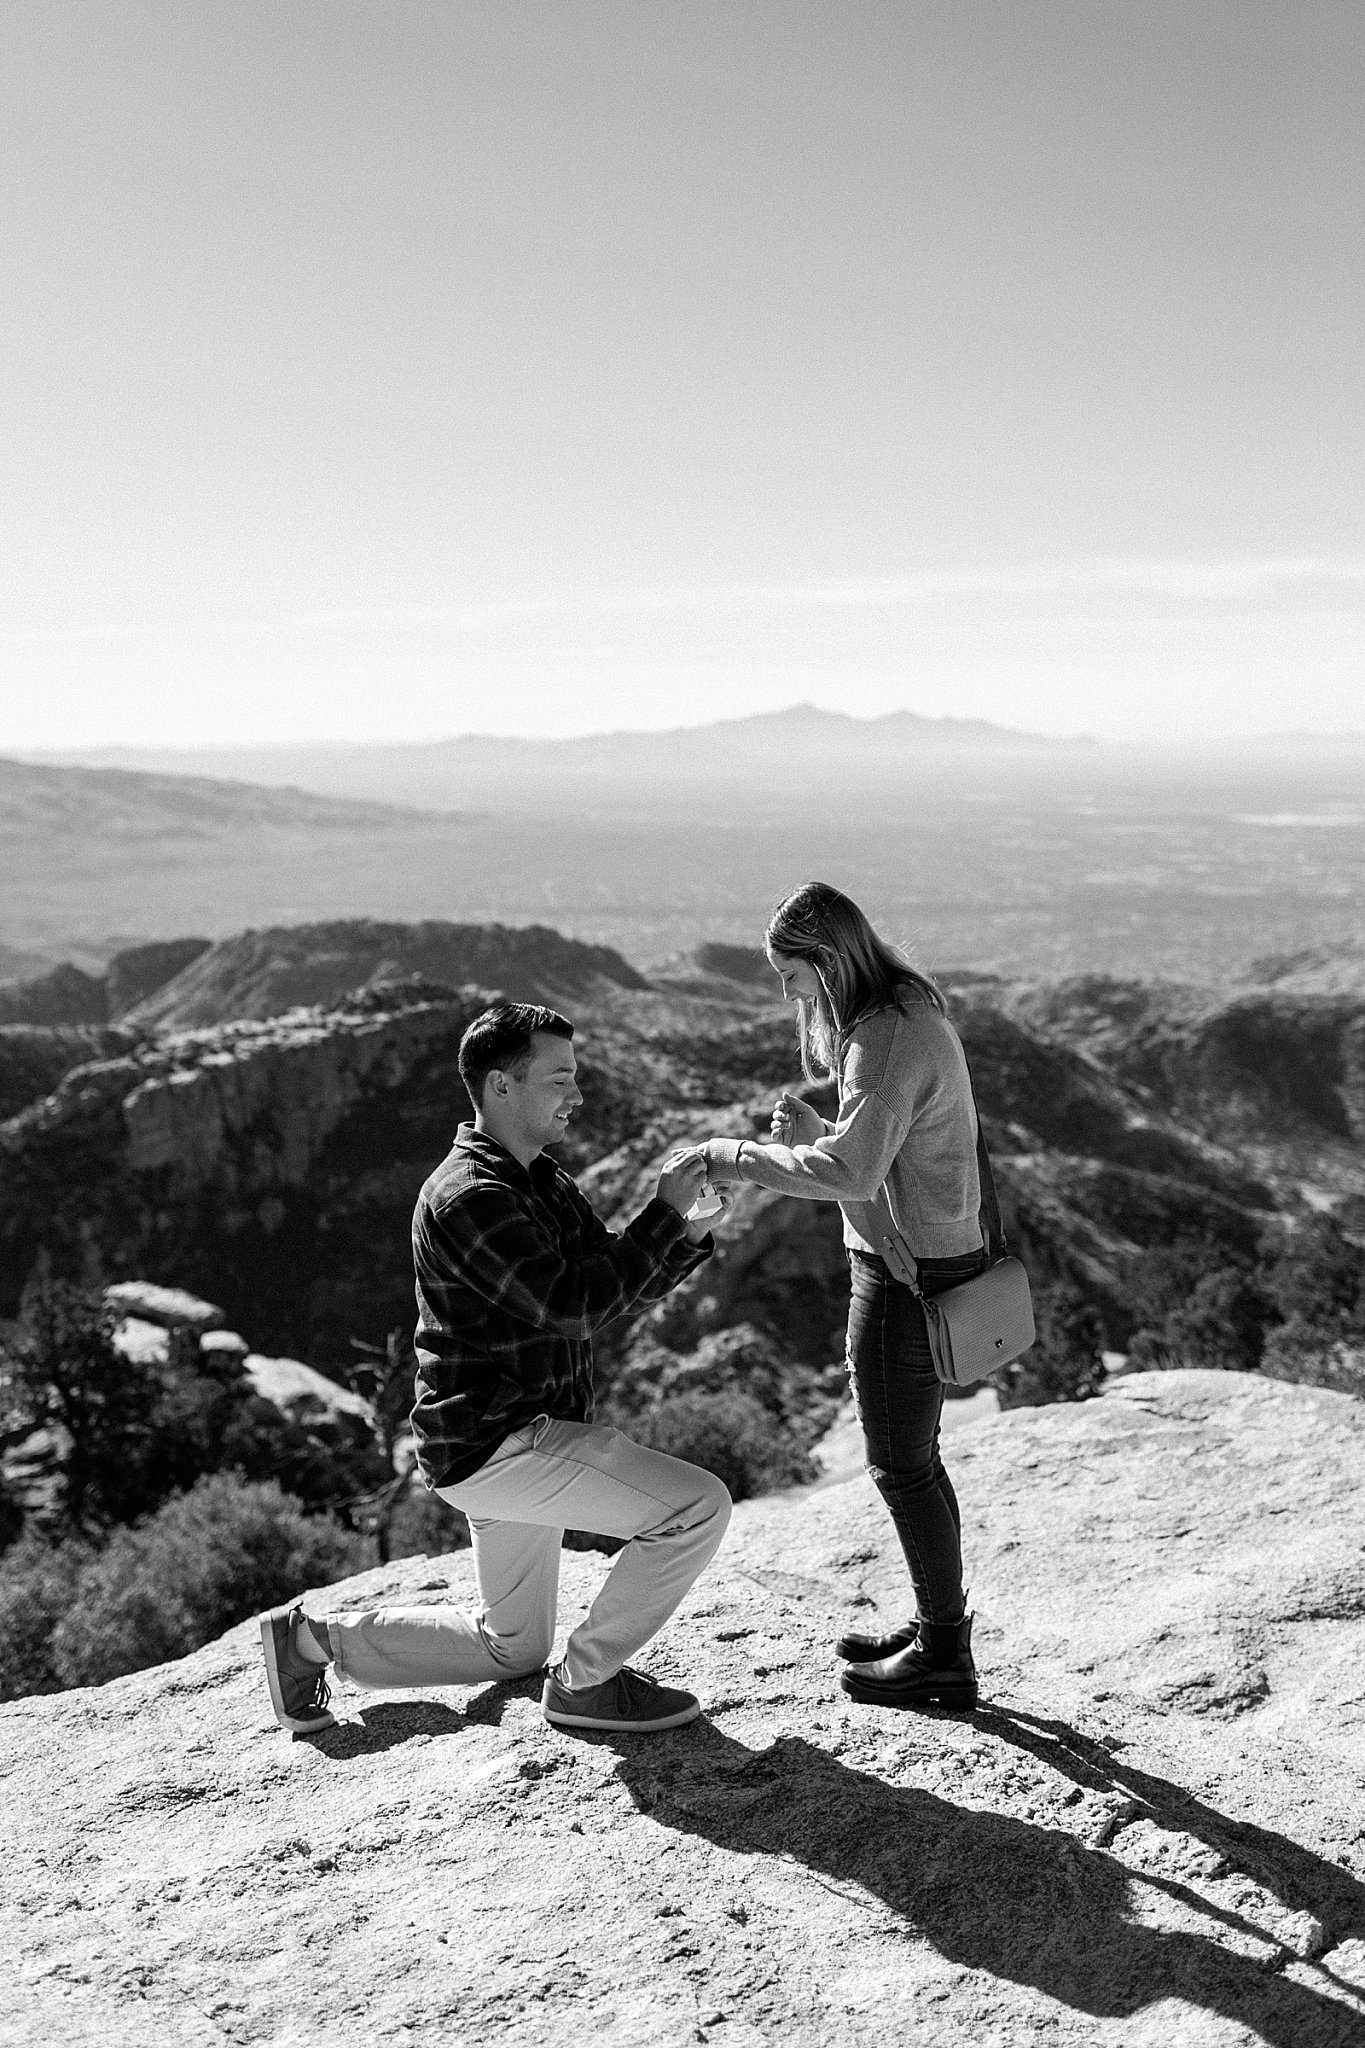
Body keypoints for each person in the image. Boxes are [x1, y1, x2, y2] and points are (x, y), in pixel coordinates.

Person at [259, 1001, 732, 1738]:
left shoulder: (537, 1178)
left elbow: (604, 1284)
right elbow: (574, 1305)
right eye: (560, 1079)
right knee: (695, 1509)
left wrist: (684, 1236)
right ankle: (587, 1684)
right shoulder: (469, 1196)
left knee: (510, 1647)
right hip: (502, 1441)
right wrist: (660, 1217)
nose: (577, 1096)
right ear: (500, 1086)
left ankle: (311, 1641)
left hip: (496, 1441)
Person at [698, 882, 986, 1711]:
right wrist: (817, 1143)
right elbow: (884, 1155)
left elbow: (855, 1173)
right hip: (921, 1255)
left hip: (904, 1275)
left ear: (826, 963)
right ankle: (939, 1630)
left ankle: (944, 1658)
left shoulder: (884, 1037)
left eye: (791, 977)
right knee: (914, 1462)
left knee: (901, 1467)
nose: (787, 995)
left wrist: (738, 1155)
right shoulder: (904, 1012)